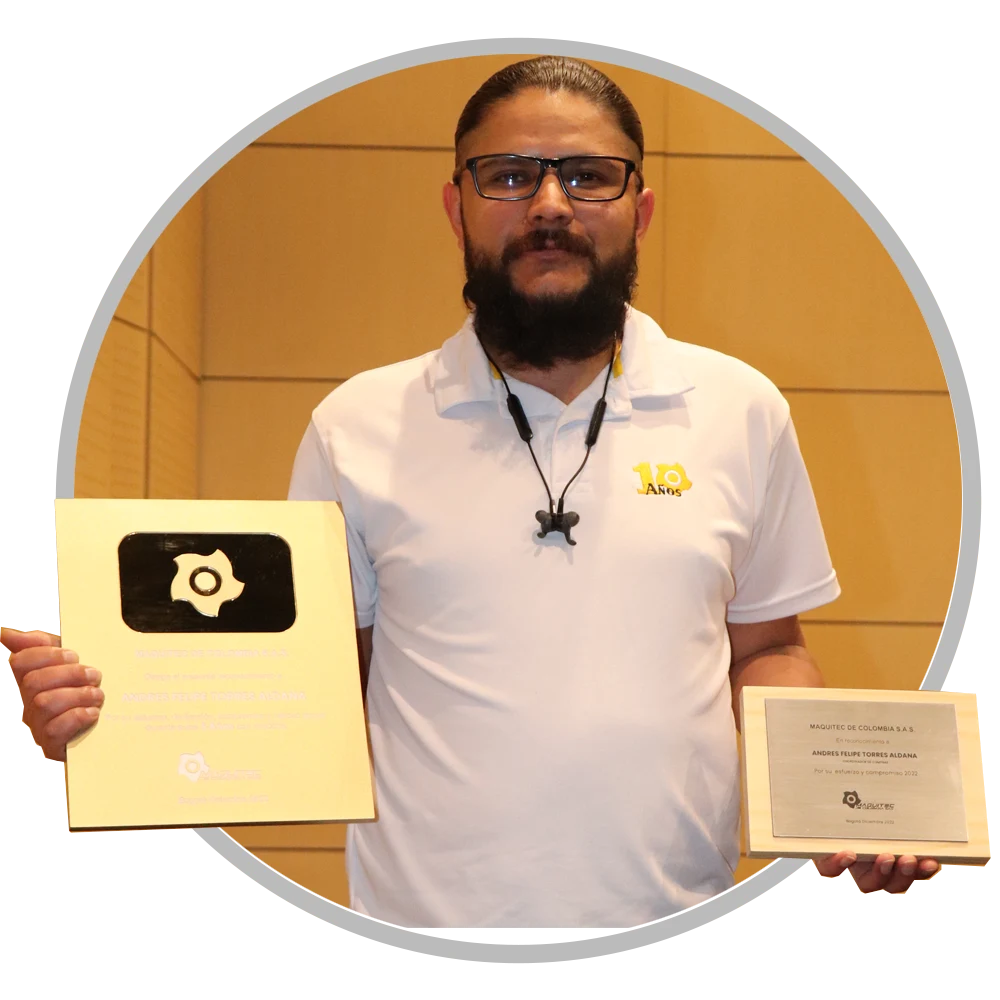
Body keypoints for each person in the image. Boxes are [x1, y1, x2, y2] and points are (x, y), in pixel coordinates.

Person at [3, 56, 940, 927]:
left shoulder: (741, 410)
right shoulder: (356, 425)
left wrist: (840, 803)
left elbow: (769, 650)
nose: (549, 204)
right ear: (456, 207)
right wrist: (109, 722)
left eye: (588, 176)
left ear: (641, 209)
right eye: (509, 176)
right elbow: (305, 689)